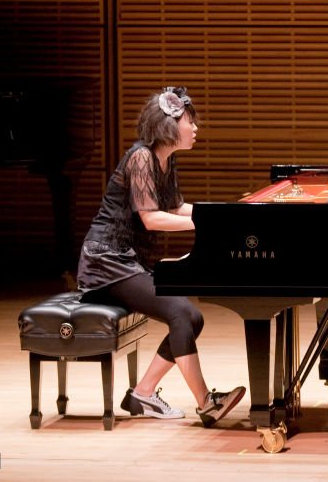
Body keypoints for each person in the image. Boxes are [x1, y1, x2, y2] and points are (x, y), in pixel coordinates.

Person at [76, 86, 245, 427]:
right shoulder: (140, 157)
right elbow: (151, 218)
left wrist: (221, 216)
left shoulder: (165, 160)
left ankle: (143, 392)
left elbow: (175, 207)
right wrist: (206, 224)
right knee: (183, 312)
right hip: (105, 262)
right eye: (189, 120)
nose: (195, 127)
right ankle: (206, 403)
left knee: (191, 318)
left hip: (126, 260)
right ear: (169, 125)